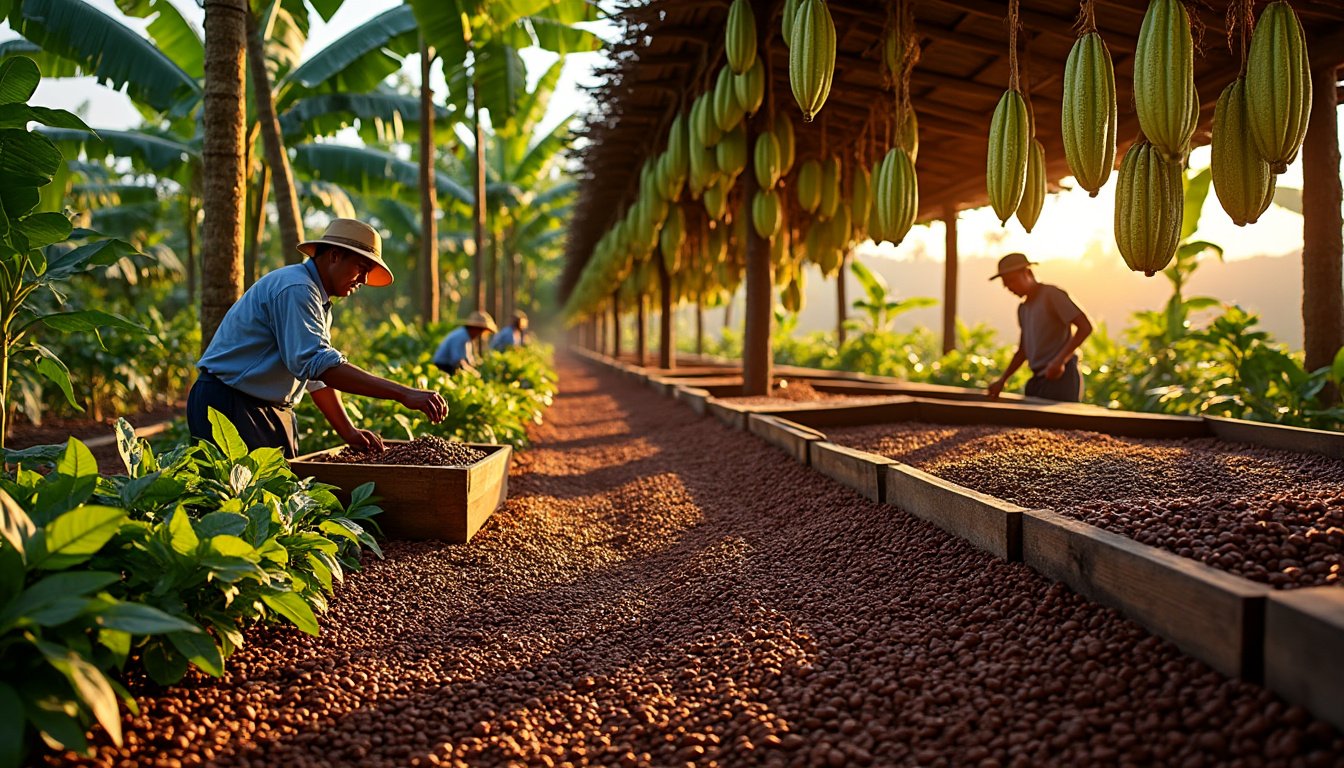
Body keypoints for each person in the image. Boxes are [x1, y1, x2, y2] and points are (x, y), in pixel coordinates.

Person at [188, 218, 448, 457]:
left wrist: (349, 431)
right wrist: (403, 394)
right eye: (361, 268)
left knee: (277, 499)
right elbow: (319, 364)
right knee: (238, 501)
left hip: (265, 409)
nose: (364, 280)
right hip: (231, 404)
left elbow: (316, 378)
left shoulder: (317, 298)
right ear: (335, 256)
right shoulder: (297, 288)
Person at [986, 252, 1093, 402]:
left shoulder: (1052, 295)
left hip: (1061, 378)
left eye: (1012, 280)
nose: (1009, 287)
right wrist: (1002, 380)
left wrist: (1060, 361)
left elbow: (1085, 327)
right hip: (1038, 379)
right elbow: (1023, 350)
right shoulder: (1023, 309)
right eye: (1005, 283)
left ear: (1027, 273)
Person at [432, 311, 497, 375]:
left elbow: (467, 359)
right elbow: (457, 360)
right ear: (475, 328)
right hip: (443, 367)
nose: (480, 334)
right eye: (480, 331)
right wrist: (472, 372)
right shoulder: (460, 336)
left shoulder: (467, 337)